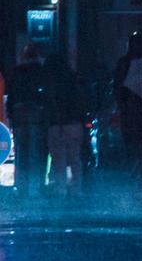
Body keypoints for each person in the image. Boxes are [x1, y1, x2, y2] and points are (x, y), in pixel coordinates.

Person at [113, 33, 142, 173]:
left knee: (134, 143)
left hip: (133, 111)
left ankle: (137, 168)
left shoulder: (124, 63)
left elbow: (117, 86)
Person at [5, 46, 49, 194]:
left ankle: (21, 186)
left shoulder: (17, 73)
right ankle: (38, 185)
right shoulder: (42, 72)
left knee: (21, 153)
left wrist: (11, 116)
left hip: (19, 115)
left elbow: (11, 96)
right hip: (38, 115)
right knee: (38, 152)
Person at [43, 50, 85, 192]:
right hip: (74, 123)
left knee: (59, 159)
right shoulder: (74, 79)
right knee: (75, 159)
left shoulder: (51, 82)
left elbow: (50, 103)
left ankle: (60, 190)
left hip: (56, 124)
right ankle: (77, 190)